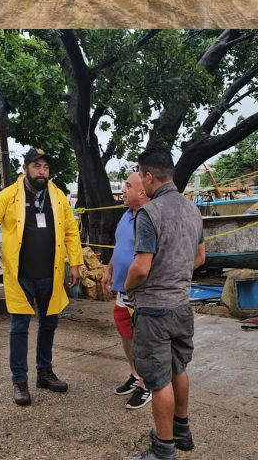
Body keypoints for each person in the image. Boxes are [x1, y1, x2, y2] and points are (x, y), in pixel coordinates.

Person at [0, 147, 82, 407]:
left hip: (50, 275)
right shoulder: (9, 195)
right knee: (19, 329)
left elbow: (70, 231)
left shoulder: (57, 196)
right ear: (25, 169)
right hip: (21, 275)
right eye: (36, 167)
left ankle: (44, 373)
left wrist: (76, 263)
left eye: (45, 167)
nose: (42, 171)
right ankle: (19, 381)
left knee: (48, 325)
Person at [122, 145, 205, 460]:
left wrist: (127, 286)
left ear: (147, 177)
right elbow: (200, 257)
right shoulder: (192, 209)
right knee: (178, 369)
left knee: (158, 381)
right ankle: (182, 431)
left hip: (154, 310)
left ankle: (163, 450)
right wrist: (176, 273)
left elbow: (142, 267)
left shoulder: (149, 213)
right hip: (182, 306)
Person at [102, 175, 153, 411]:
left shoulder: (149, 218)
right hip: (122, 291)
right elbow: (120, 247)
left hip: (139, 292)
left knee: (142, 338)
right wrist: (109, 269)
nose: (123, 190)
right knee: (125, 333)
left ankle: (147, 384)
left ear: (142, 192)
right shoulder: (125, 215)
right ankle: (135, 374)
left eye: (128, 186)